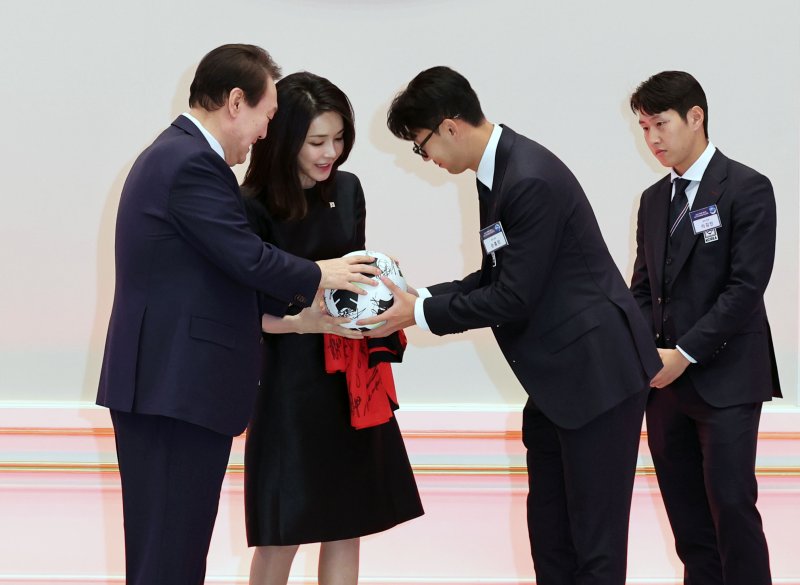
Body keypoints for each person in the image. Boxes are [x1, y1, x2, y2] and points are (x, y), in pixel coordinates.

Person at [363, 66, 663, 585]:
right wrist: (421, 297)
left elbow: (514, 296)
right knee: (550, 536)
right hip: (557, 385)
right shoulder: (499, 172)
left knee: (594, 544)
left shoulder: (527, 178)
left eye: (421, 145)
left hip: (597, 375)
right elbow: (496, 275)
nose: (426, 158)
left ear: (449, 126)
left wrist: (421, 314)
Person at [96, 45, 380, 585]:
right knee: (170, 558)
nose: (265, 133)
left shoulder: (176, 155)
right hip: (173, 390)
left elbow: (225, 274)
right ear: (234, 103)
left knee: (171, 555)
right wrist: (323, 273)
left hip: (171, 389)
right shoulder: (190, 163)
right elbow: (247, 258)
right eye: (266, 116)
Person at [240, 71, 423, 585]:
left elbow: (356, 278)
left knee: (347, 523)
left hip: (351, 376)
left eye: (339, 139)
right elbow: (243, 311)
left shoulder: (348, 188)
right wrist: (305, 321)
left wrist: (386, 286)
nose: (331, 153)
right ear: (283, 139)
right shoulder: (251, 205)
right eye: (317, 141)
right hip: (287, 384)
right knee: (282, 529)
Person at [629, 70, 781, 585]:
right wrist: (641, 353)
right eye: (644, 127)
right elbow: (642, 290)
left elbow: (745, 288)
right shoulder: (653, 200)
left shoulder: (748, 187)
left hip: (728, 379)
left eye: (661, 124)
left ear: (695, 117)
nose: (652, 138)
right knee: (688, 522)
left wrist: (685, 353)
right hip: (665, 387)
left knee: (732, 509)